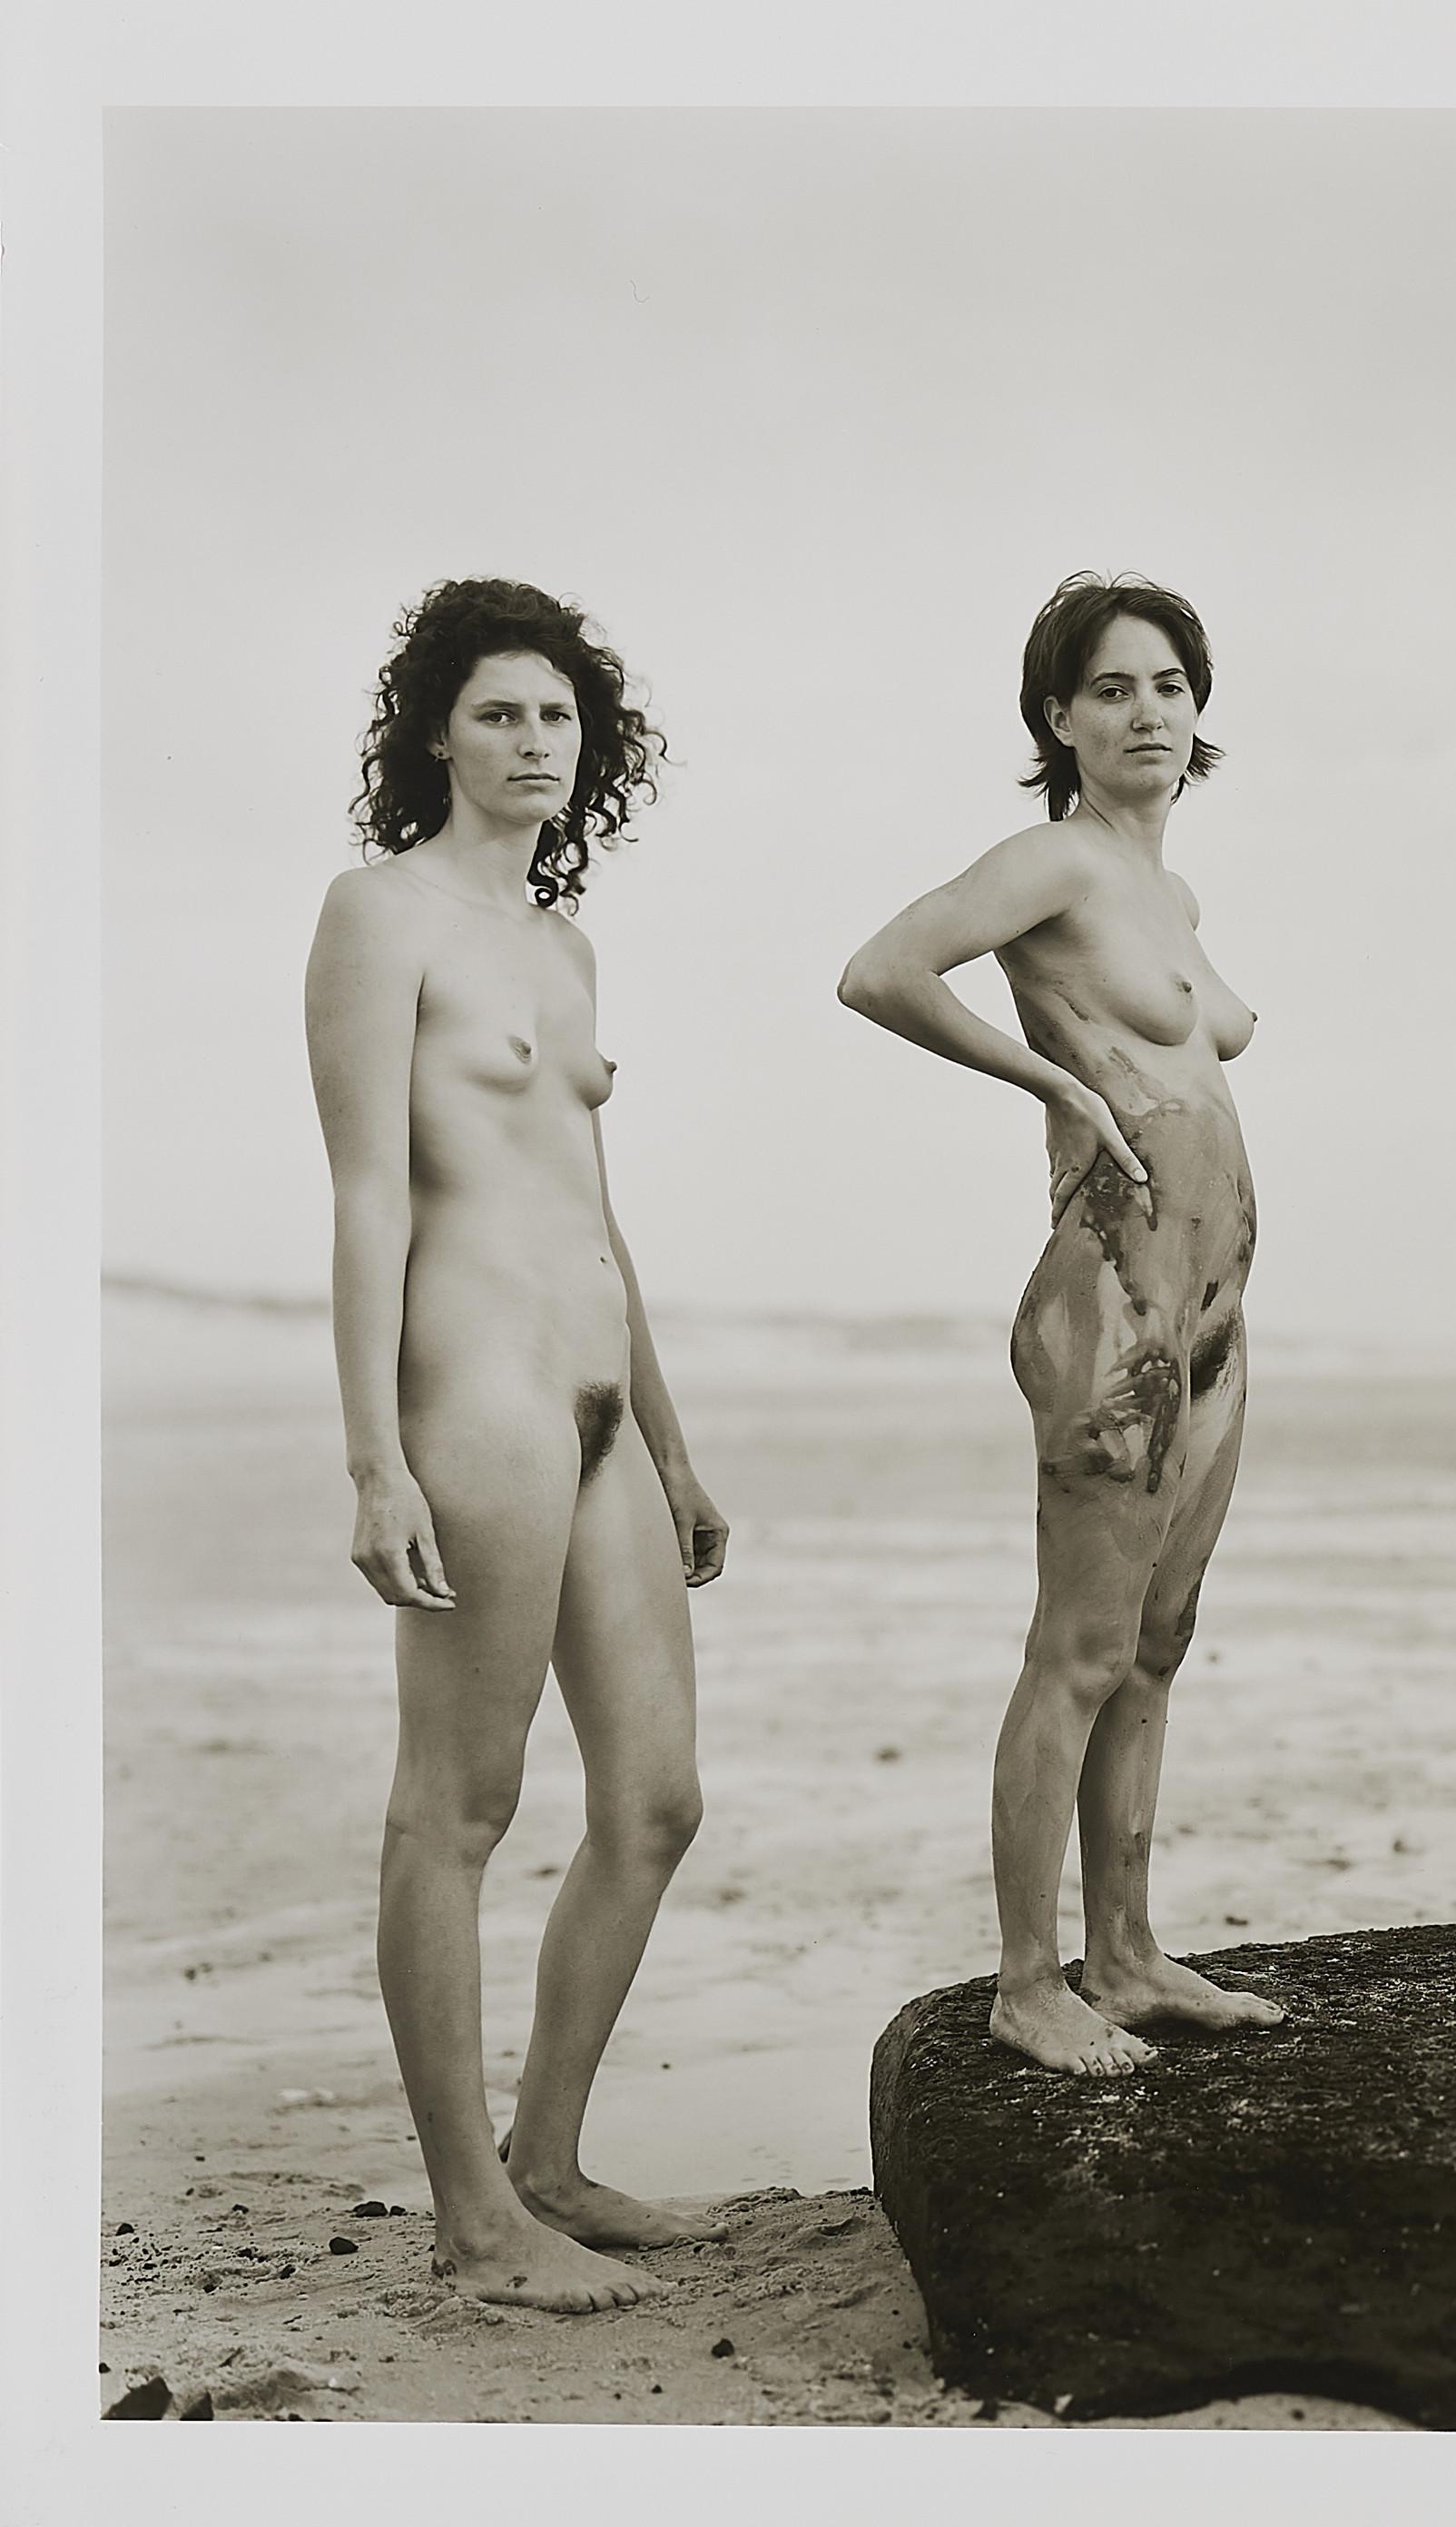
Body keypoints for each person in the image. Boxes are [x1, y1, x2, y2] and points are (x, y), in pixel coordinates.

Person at [306, 578, 728, 2314]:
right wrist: (372, 1462)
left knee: (655, 1799)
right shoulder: (376, 914)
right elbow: (364, 1199)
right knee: (460, 1807)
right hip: (471, 1400)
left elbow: (599, 1216)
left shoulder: (565, 947)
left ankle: (549, 2159)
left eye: (558, 717)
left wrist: (677, 1446)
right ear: (435, 734)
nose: (534, 742)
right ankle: (476, 2220)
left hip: (602, 1401)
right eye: (499, 714)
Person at [837, 573, 1283, 2077]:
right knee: (1079, 1652)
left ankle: (1131, 1956)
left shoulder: (1176, 899)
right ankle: (1030, 1981)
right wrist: (1055, 1085)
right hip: (1112, 1298)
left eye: (1169, 684)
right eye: (1110, 689)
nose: (1145, 711)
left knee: (1158, 1646)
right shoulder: (1053, 861)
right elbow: (881, 970)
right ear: (1059, 717)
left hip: (1212, 1312)